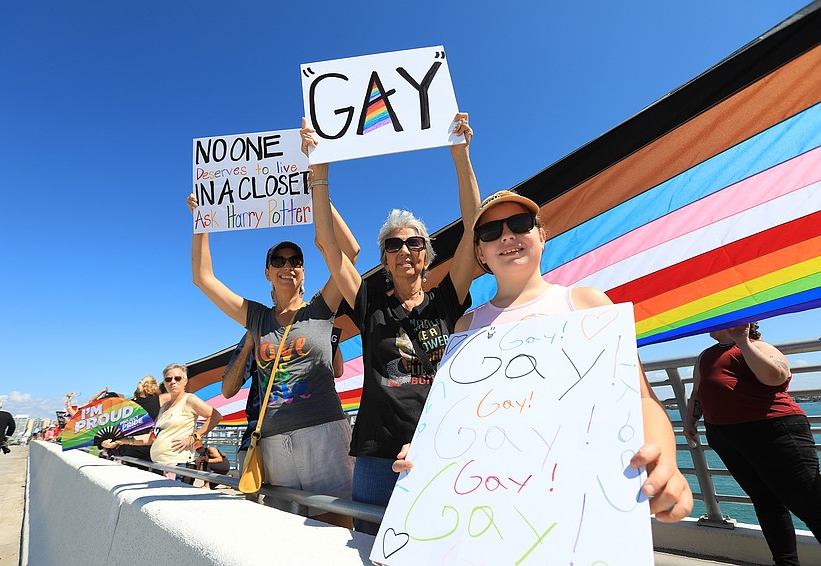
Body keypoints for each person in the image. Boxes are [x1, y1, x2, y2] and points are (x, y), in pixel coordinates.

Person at [393, 189, 693, 522]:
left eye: (520, 224)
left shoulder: (587, 304)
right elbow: (450, 418)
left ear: (541, 235)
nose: (507, 234)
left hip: (578, 501)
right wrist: (425, 453)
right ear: (479, 251)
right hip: (487, 504)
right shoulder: (467, 324)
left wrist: (666, 462)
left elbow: (641, 398)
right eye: (491, 232)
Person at [307, 113, 480, 534]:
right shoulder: (368, 303)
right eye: (393, 244)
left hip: (442, 450)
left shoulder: (446, 300)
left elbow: (475, 229)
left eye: (414, 242)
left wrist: (461, 155)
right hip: (377, 458)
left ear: (427, 254)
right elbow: (329, 245)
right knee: (370, 551)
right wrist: (319, 171)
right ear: (384, 259)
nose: (405, 250)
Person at [187, 193, 360, 529]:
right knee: (282, 533)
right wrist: (201, 221)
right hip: (272, 442)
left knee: (335, 530)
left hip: (324, 433)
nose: (287, 266)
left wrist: (319, 193)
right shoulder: (257, 317)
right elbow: (203, 278)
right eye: (278, 261)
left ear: (303, 270)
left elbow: (350, 252)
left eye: (295, 260)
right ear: (267, 272)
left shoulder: (321, 309)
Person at [685, 322, 821, 565]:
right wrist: (690, 420)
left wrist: (743, 342)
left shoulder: (760, 347)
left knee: (809, 501)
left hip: (774, 430)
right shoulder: (706, 355)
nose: (709, 323)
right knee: (766, 502)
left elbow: (775, 377)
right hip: (726, 435)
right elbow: (698, 391)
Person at [102, 364, 221, 481]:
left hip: (176, 465)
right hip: (159, 465)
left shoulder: (189, 399)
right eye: (168, 379)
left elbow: (215, 416)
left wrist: (195, 437)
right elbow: (151, 437)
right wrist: (120, 441)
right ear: (164, 383)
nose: (173, 382)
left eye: (177, 378)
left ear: (185, 381)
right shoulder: (164, 407)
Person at [116, 376, 171, 467]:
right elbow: (179, 396)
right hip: (147, 447)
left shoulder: (129, 404)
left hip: (127, 447)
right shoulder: (161, 399)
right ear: (154, 386)